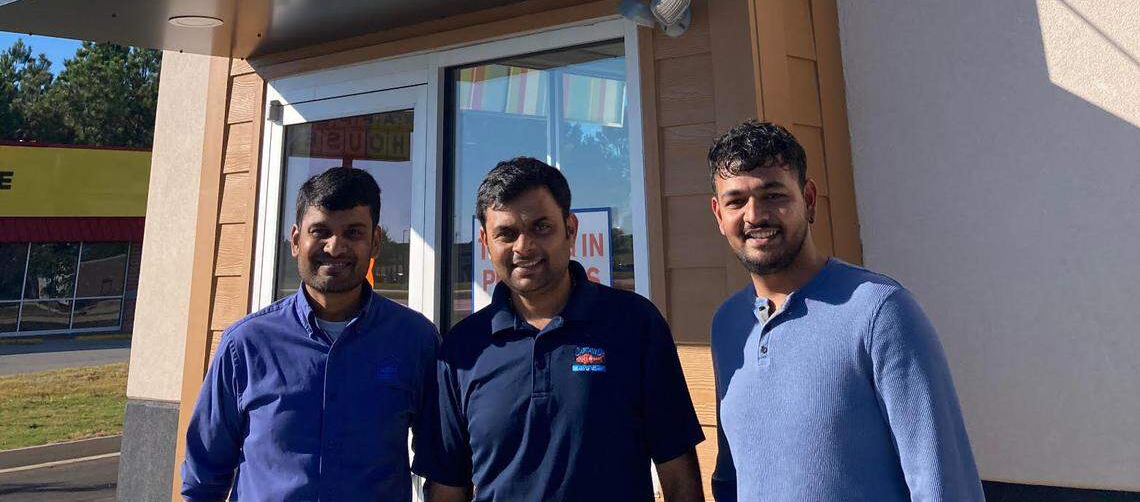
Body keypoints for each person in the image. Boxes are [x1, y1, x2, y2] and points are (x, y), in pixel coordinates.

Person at [707, 120, 984, 502]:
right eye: (736, 201)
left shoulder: (880, 312)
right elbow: (731, 477)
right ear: (719, 215)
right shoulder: (728, 327)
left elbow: (943, 483)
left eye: (774, 195)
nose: (755, 216)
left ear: (808, 200)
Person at [425, 155, 706, 502]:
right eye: (506, 234)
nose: (523, 246)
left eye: (541, 227)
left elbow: (680, 477)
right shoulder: (462, 350)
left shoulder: (634, 324)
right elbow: (447, 488)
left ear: (570, 229)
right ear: (485, 241)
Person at [181, 165, 439, 501]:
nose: (335, 247)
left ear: (375, 242)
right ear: (296, 240)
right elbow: (203, 477)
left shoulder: (416, 340)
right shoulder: (244, 345)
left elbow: (441, 465)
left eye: (353, 233)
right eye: (320, 231)